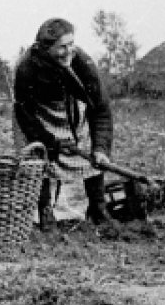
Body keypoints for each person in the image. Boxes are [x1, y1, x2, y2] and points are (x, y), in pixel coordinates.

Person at [14, 18, 114, 230]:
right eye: (62, 47)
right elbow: (25, 115)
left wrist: (100, 148)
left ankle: (97, 207)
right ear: (46, 48)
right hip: (38, 115)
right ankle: (45, 210)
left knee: (90, 156)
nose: (68, 52)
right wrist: (51, 143)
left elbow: (100, 109)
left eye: (71, 44)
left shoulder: (83, 63)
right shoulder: (26, 68)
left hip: (71, 112)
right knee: (37, 158)